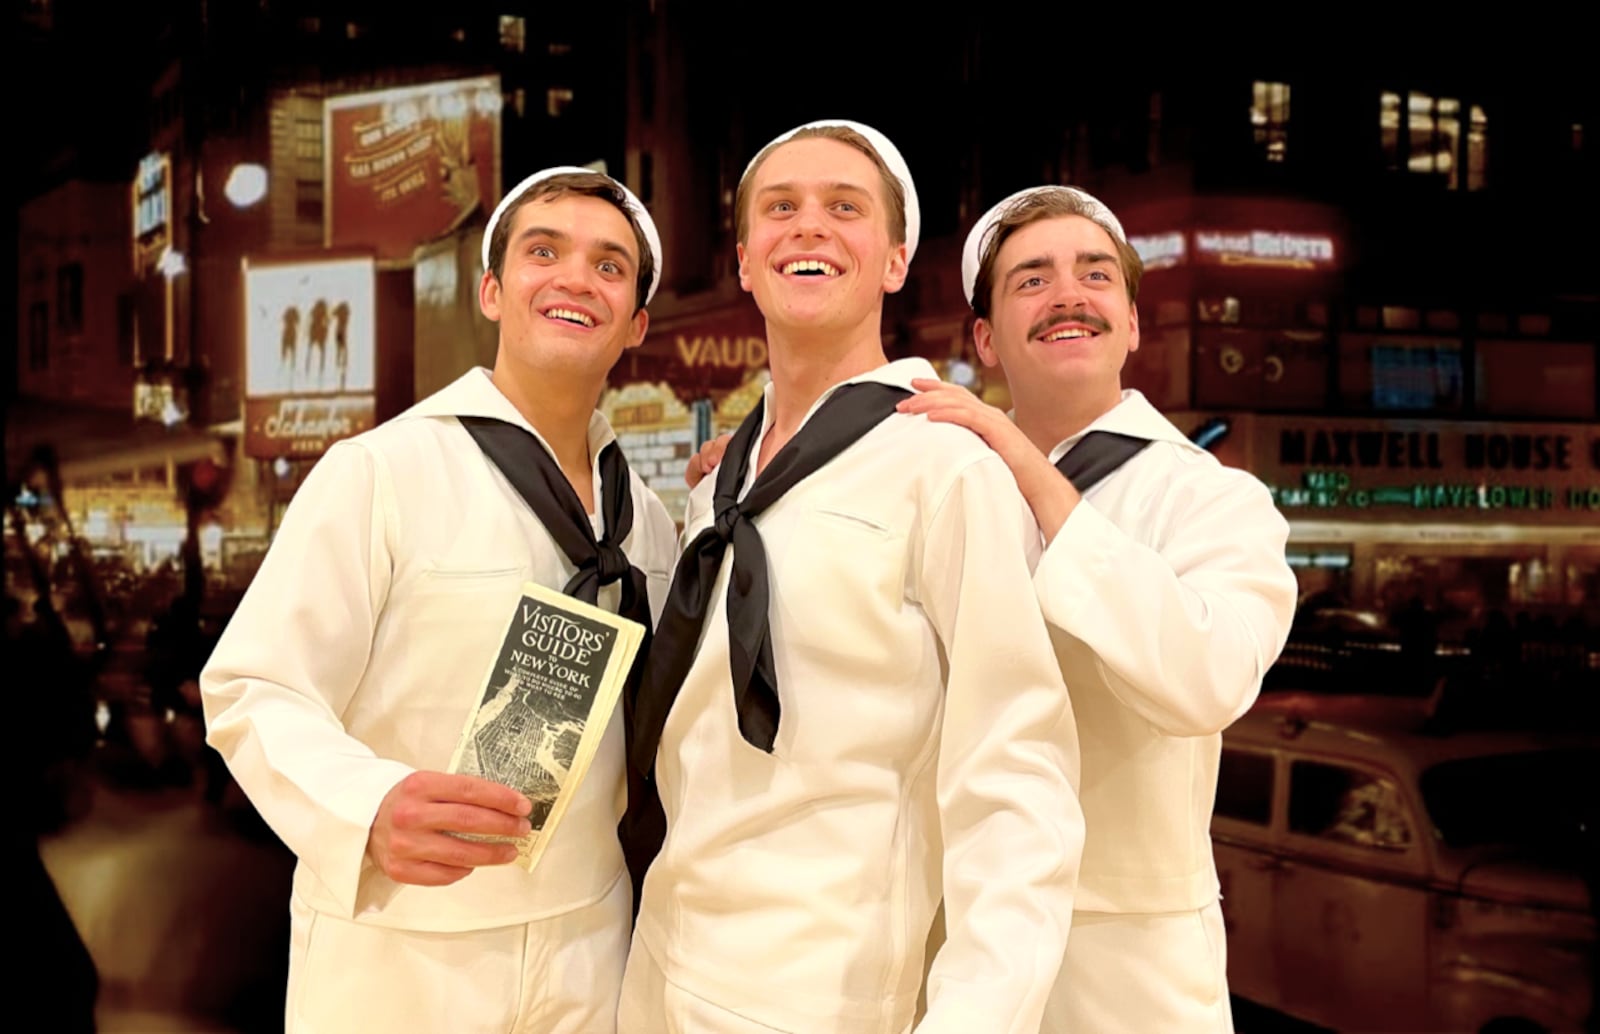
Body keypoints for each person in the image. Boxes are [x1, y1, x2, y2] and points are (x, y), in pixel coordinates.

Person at [618, 121, 1083, 1034]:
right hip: (656, 961)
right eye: (780, 209)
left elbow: (1017, 775)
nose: (810, 227)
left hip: (818, 991)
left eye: (845, 207)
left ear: (896, 260)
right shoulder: (722, 482)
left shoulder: (946, 468)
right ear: (745, 261)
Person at [200, 167, 678, 1034]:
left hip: (593, 942)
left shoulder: (646, 519)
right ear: (493, 291)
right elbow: (252, 688)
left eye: (610, 266)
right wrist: (366, 806)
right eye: (544, 251)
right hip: (407, 947)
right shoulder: (381, 470)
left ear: (636, 323)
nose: (576, 277)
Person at [893, 185, 1298, 1033]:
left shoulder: (1217, 500)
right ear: (985, 340)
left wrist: (1031, 475)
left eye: (1096, 275)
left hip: (1121, 972)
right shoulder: (936, 481)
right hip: (942, 944)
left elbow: (1209, 676)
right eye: (1031, 280)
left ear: (1133, 323)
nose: (1068, 294)